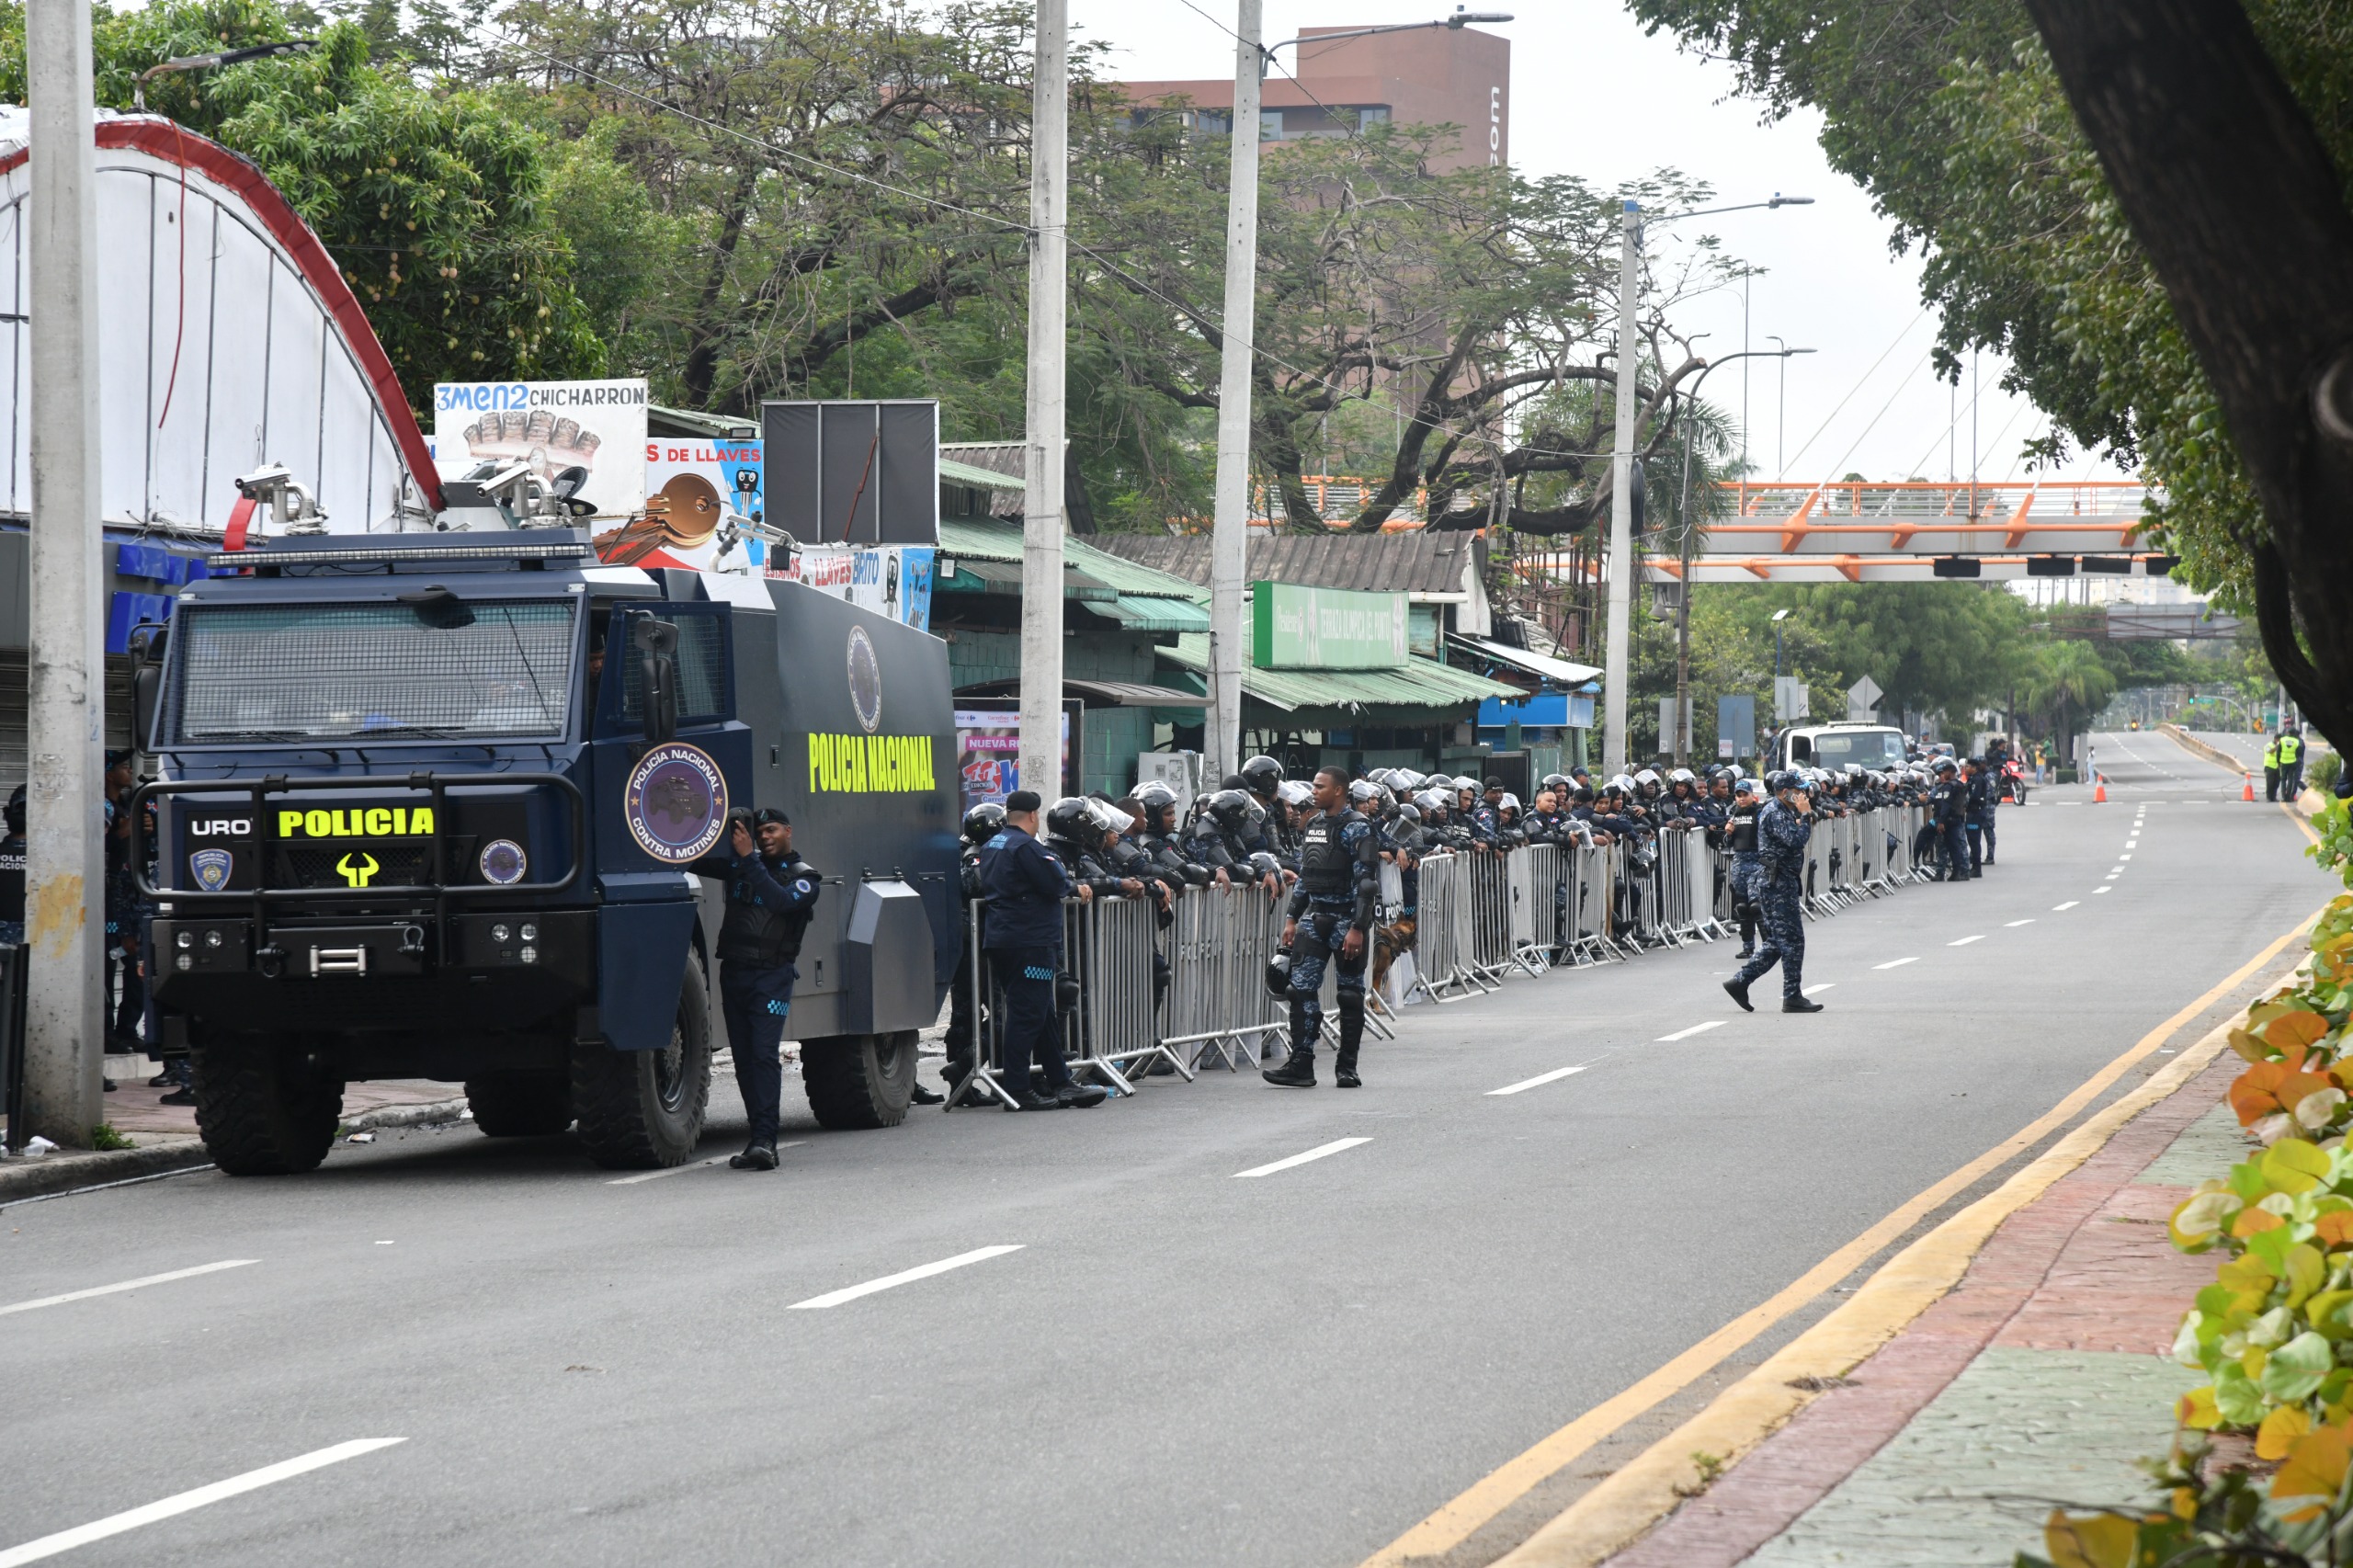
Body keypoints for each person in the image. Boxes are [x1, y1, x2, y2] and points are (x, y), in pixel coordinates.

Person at [689, 807, 822, 1169]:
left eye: (772, 830)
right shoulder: (741, 866)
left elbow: (780, 903)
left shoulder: (805, 878)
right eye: (759, 831)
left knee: (764, 1056)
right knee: (745, 1060)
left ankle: (766, 1141)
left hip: (772, 978)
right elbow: (692, 860)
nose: (764, 837)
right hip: (734, 974)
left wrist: (749, 858)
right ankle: (756, 1139)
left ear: (788, 831)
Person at [978, 790, 1109, 1111]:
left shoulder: (993, 843)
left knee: (1042, 1012)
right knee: (1027, 1014)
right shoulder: (1026, 846)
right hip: (1030, 943)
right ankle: (1018, 1089)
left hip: (1006, 939)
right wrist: (1076, 888)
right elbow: (1056, 883)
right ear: (1034, 816)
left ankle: (1061, 1082)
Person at [1265, 767, 1381, 1089]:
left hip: (1347, 920)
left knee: (1349, 994)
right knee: (1298, 990)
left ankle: (1347, 1068)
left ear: (1339, 791)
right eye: (1313, 786)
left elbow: (1367, 882)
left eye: (1320, 787)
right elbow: (1307, 875)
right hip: (1315, 919)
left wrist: (1358, 927)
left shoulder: (1358, 827)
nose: (1313, 791)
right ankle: (1301, 1064)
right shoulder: (1313, 824)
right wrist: (1291, 918)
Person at [1723, 772, 1823, 1014]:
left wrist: (1804, 815)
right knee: (1791, 941)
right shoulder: (1775, 812)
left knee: (1779, 942)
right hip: (1776, 883)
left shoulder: (1782, 810)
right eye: (1797, 790)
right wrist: (1806, 815)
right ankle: (1791, 996)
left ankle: (1741, 982)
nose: (1801, 794)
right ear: (1784, 791)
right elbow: (1795, 841)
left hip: (1781, 880)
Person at [1723, 776, 1766, 960]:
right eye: (1738, 795)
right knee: (1742, 907)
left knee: (1756, 905)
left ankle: (1770, 944)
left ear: (1752, 795)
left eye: (1745, 795)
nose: (1741, 798)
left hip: (1756, 861)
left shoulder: (1761, 812)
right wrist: (1728, 833)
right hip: (1739, 862)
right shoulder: (1734, 814)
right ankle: (1748, 946)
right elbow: (1728, 843)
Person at [1929, 756, 1971, 882]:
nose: (1942, 775)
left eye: (1944, 772)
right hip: (1958, 819)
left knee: (1944, 847)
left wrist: (1941, 821)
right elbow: (1965, 802)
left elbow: (1946, 805)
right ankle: (1963, 872)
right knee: (1959, 846)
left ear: (1950, 772)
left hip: (1948, 821)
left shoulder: (1948, 786)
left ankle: (1943, 873)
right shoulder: (1960, 785)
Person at [2281, 726, 2307, 798]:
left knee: (2296, 779)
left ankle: (2305, 790)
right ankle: (2291, 794)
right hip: (2296, 761)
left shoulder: (2298, 741)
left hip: (2297, 762)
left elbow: (2298, 751)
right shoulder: (2298, 741)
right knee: (2293, 779)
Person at [2266, 732, 2284, 802]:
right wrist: (2277, 746)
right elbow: (2269, 751)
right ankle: (2268, 797)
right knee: (2270, 783)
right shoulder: (2268, 745)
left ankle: (2274, 797)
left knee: (2276, 783)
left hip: (2277, 767)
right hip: (2269, 767)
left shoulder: (2282, 746)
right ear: (2276, 739)